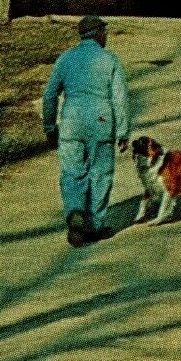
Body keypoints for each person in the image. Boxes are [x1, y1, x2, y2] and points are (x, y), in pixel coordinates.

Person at [41, 15, 132, 247]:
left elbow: (50, 95)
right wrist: (123, 131)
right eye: (105, 32)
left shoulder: (65, 59)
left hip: (71, 122)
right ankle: (94, 226)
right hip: (101, 121)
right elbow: (120, 99)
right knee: (101, 173)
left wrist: (50, 127)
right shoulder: (110, 59)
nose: (106, 37)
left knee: (72, 172)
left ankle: (75, 212)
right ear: (99, 34)